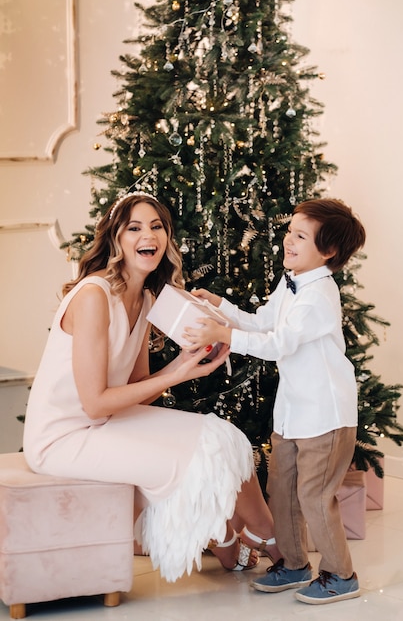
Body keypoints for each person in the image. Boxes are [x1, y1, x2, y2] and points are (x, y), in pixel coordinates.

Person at [23, 192, 282, 583]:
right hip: (63, 436)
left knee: (225, 436)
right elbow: (94, 403)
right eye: (135, 227)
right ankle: (253, 539)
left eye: (157, 227)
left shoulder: (143, 298)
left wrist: (185, 366)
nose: (150, 235)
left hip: (107, 419)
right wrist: (176, 375)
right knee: (200, 453)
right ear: (116, 239)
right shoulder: (94, 296)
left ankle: (254, 532)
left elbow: (138, 388)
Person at [183, 198, 366, 604]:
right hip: (292, 413)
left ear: (329, 251)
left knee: (315, 496)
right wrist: (223, 309)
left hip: (325, 415)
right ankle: (295, 564)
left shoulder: (319, 296)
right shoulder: (291, 281)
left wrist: (226, 334)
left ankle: (341, 575)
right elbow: (265, 321)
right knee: (280, 490)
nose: (288, 241)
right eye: (290, 232)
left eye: (301, 236)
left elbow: (278, 343)